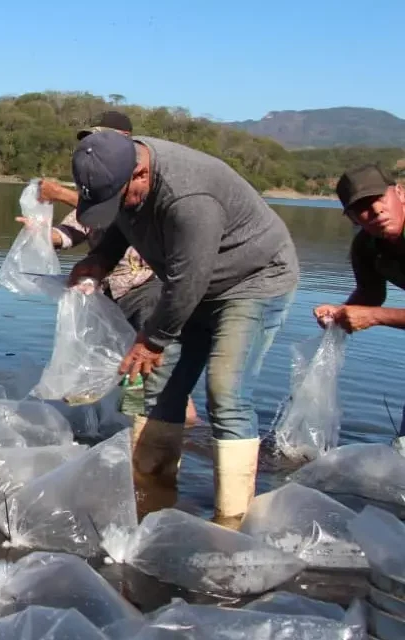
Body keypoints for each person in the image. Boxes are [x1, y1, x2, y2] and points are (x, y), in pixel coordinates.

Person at [68, 130, 299, 523]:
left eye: (121, 197)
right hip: (191, 282)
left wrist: (152, 340)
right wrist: (101, 261)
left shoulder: (190, 198)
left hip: (251, 280)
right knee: (157, 384)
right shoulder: (116, 167)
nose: (119, 205)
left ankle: (231, 519)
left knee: (225, 390)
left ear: (140, 174)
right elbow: (124, 224)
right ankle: (150, 496)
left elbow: (187, 281)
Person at [32, 111, 199, 424]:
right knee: (123, 372)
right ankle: (132, 430)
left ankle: (184, 428)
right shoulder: (93, 190)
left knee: (155, 370)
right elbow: (72, 231)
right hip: (108, 296)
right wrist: (38, 232)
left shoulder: (146, 184)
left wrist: (60, 193)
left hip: (146, 290)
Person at [314, 164, 405, 333]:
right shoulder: (365, 245)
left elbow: (373, 312)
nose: (377, 210)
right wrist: (340, 314)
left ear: (401, 193)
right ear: (352, 218)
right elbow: (371, 293)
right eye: (363, 206)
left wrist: (375, 316)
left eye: (380, 198)